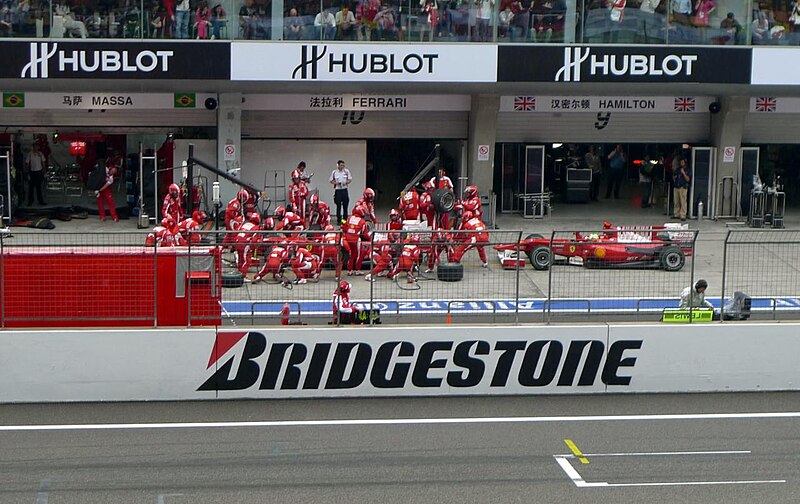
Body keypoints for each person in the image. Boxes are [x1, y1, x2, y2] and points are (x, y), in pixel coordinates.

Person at [330, 159, 352, 224]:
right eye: (341, 165)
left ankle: (344, 221)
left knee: (345, 206)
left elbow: (350, 179)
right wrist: (336, 183)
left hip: (344, 190)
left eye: (343, 165)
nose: (342, 167)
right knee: (338, 206)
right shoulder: (334, 172)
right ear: (338, 165)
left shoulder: (346, 171)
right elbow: (331, 180)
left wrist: (345, 182)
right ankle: (339, 220)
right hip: (338, 190)